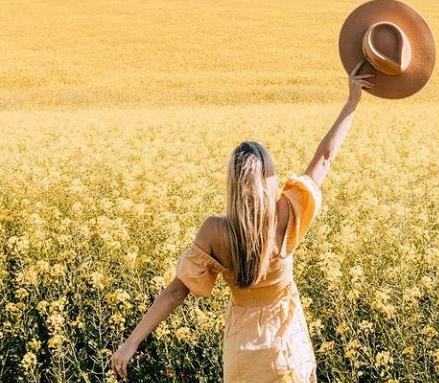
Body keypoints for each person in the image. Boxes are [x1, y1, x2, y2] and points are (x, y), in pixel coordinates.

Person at [111, 61, 374, 382]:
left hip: (243, 357)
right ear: (269, 179)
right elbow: (325, 157)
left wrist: (130, 343)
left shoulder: (214, 232)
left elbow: (175, 293)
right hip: (286, 352)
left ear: (233, 184)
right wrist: (351, 101)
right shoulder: (287, 212)